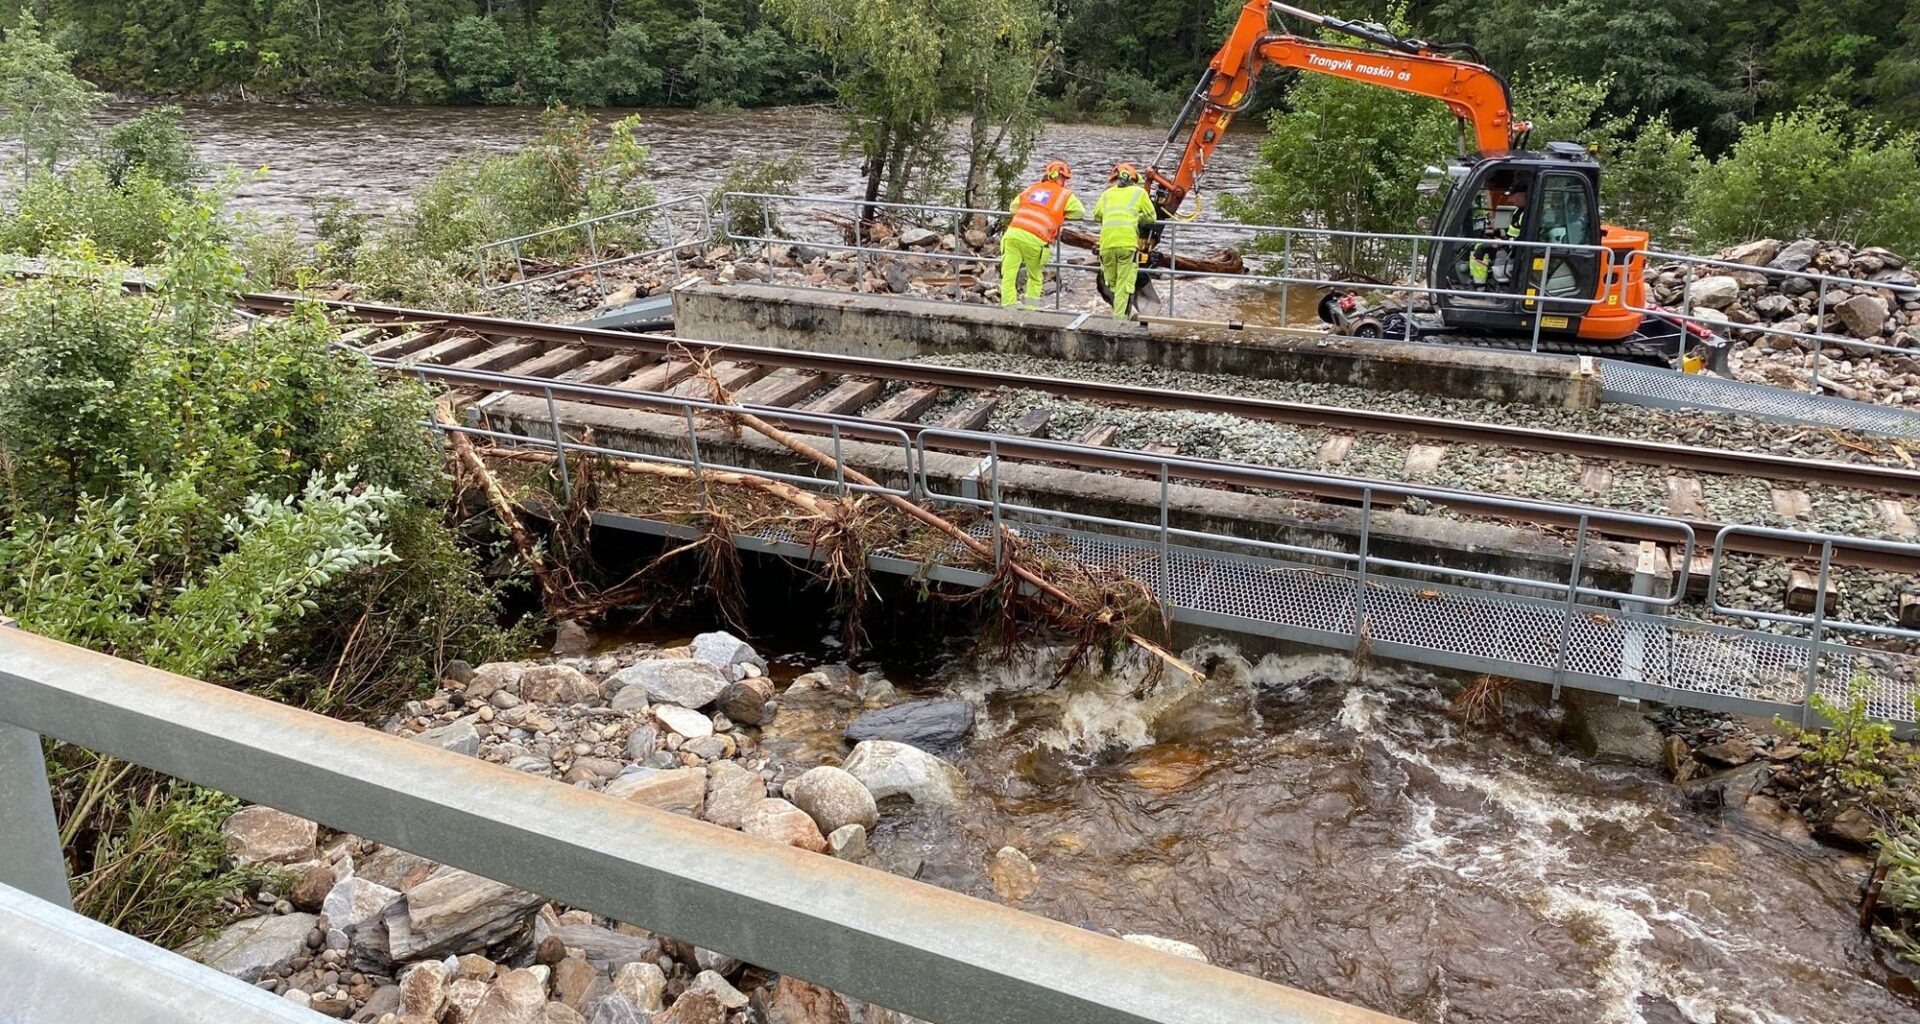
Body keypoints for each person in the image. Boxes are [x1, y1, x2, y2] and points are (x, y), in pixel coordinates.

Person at [999, 160, 1084, 310]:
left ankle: (1008, 310)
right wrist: (1061, 215)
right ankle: (1031, 311)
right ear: (1061, 178)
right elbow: (1079, 212)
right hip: (1035, 239)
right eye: (1065, 179)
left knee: (1009, 275)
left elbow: (1013, 207)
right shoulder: (1065, 194)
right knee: (1035, 277)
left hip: (1013, 234)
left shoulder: (1032, 189)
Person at [1091, 163, 1158, 318]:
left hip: (1107, 244)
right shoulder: (1139, 192)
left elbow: (1097, 215)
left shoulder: (1107, 194)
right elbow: (1151, 217)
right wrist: (1135, 217)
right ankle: (1119, 321)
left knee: (1112, 283)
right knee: (1123, 285)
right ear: (1134, 180)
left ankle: (1121, 310)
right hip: (1127, 244)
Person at [1468, 179, 1529, 290]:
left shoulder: (1527, 215)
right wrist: (1496, 232)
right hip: (1509, 244)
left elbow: (1525, 239)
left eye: (1512, 196)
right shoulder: (1517, 211)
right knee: (1477, 244)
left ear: (1521, 195)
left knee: (1480, 250)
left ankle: (1480, 287)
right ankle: (1477, 281)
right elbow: (1512, 231)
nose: (1510, 199)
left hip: (1515, 249)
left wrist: (1502, 242)